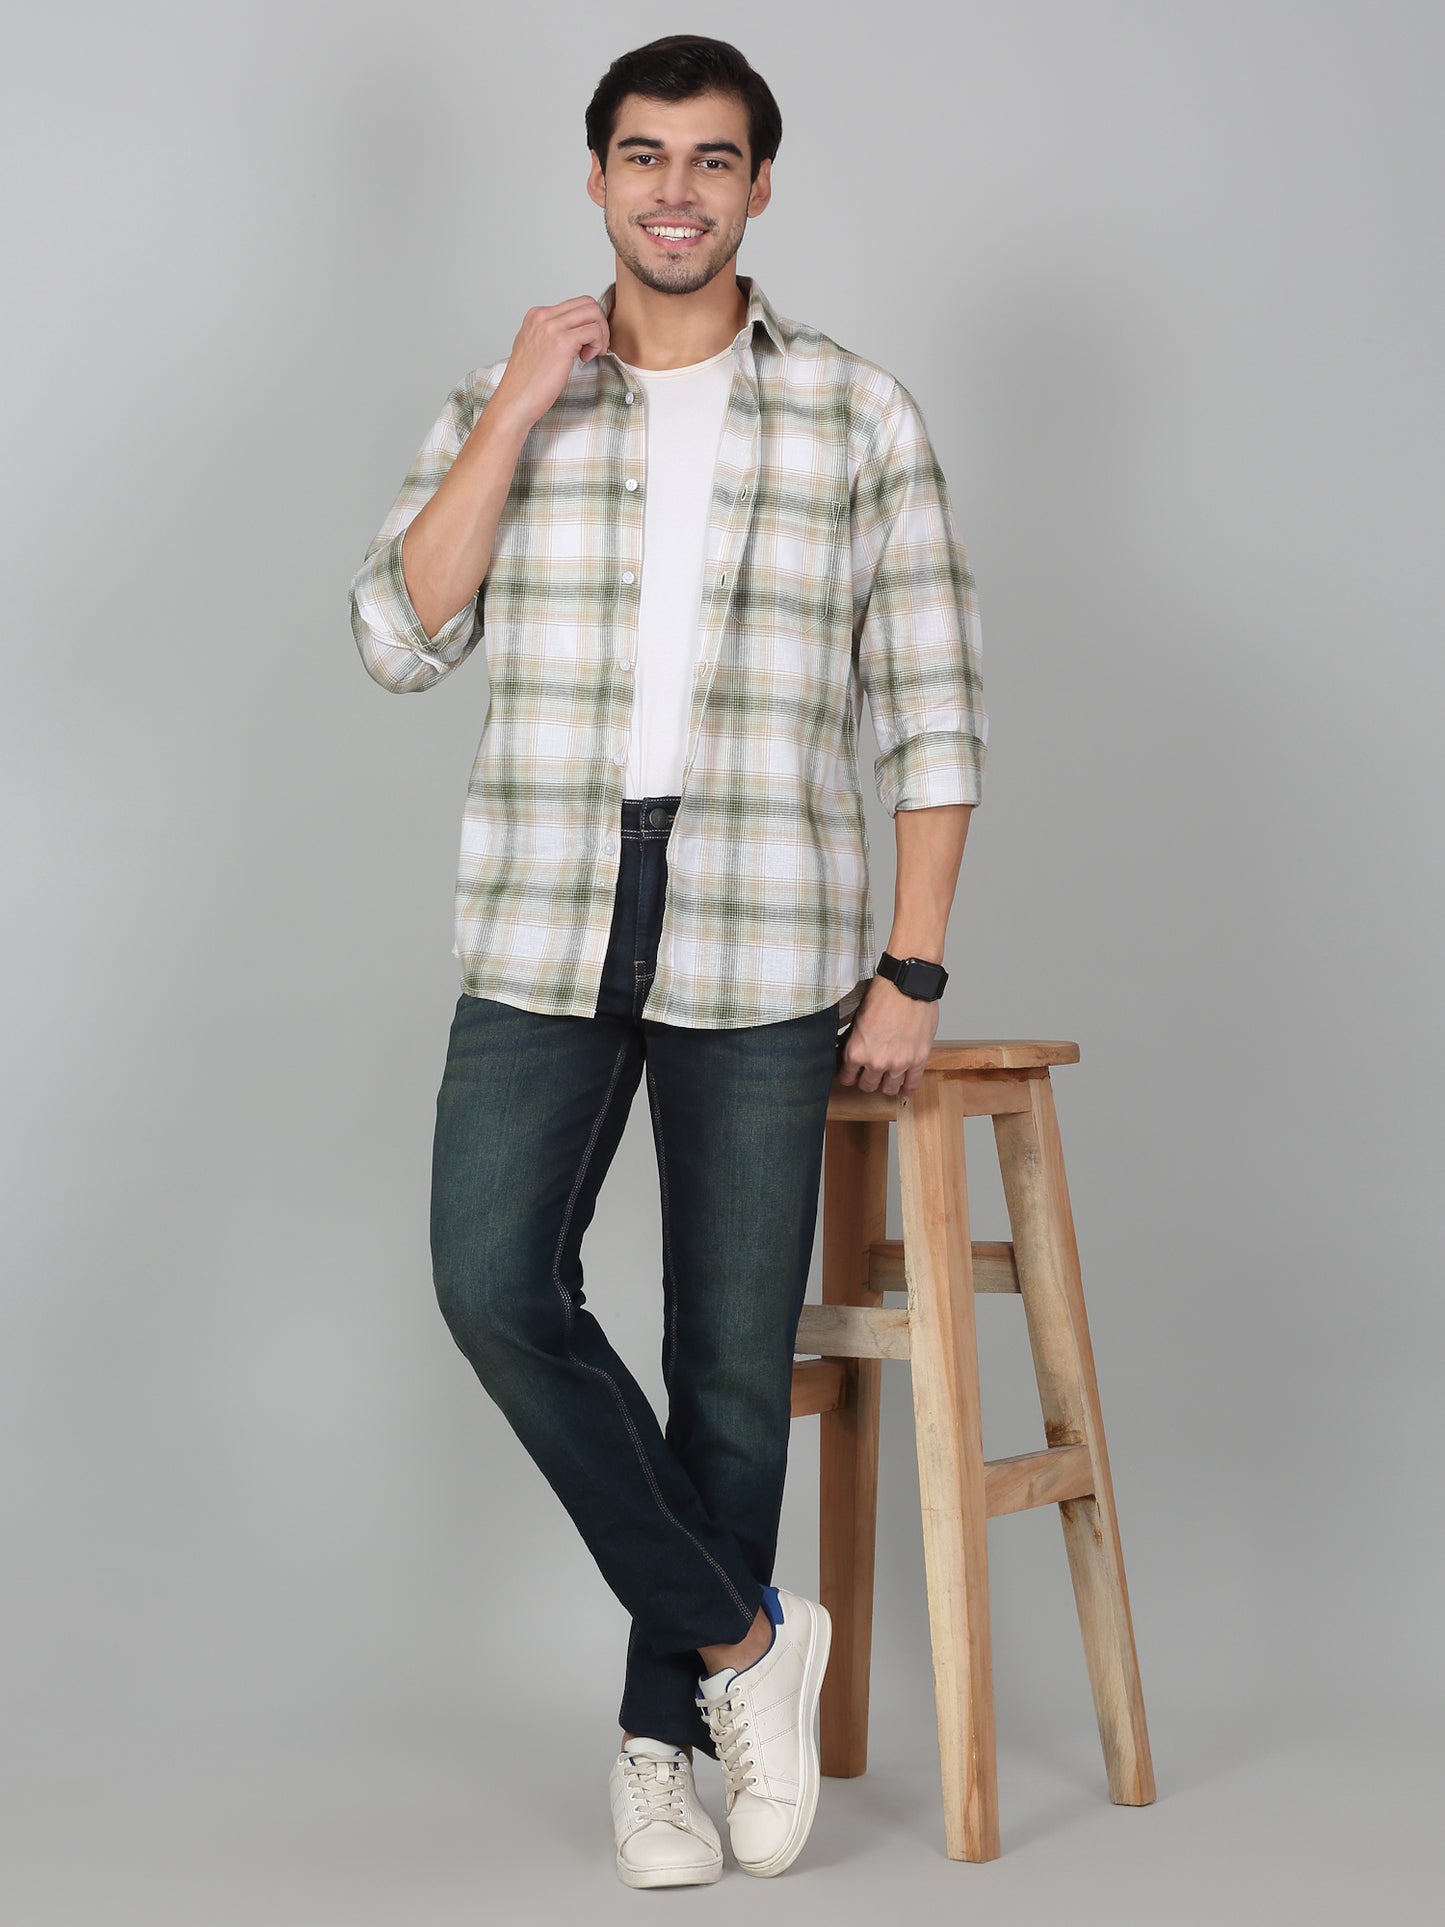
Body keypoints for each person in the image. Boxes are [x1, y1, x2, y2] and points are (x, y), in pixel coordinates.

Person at [348, 32, 987, 1888]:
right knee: (494, 1285)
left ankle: (657, 1750)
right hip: (546, 908)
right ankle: (743, 1642)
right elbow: (396, 637)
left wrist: (913, 968)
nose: (676, 190)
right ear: (597, 177)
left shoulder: (853, 413)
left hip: (764, 919)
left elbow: (930, 709)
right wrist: (513, 411)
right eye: (644, 156)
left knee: (724, 1360)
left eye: (713, 160)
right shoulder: (506, 397)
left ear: (759, 186)